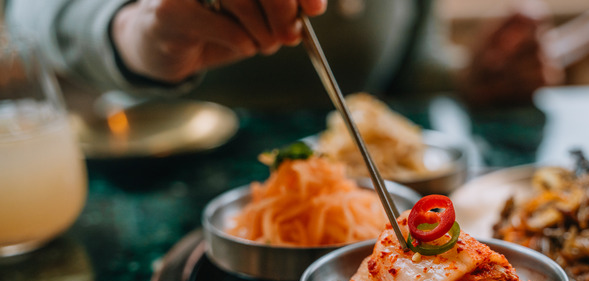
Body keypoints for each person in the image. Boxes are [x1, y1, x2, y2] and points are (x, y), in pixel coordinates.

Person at [3, 0, 558, 110]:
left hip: (358, 203)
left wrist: (471, 76)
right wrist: (132, 29)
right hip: (156, 179)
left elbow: (405, 57)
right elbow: (29, 14)